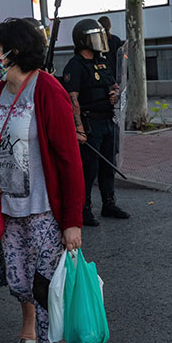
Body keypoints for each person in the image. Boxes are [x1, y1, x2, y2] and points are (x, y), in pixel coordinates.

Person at [0, 17, 85, 343]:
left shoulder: (48, 90)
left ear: (15, 53)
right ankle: (73, 324)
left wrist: (72, 222)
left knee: (43, 290)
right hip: (9, 210)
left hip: (43, 211)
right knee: (20, 284)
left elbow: (70, 160)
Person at [62, 19, 130, 227]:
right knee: (88, 169)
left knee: (108, 166)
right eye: (94, 37)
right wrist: (79, 129)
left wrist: (115, 94)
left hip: (108, 120)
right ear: (83, 40)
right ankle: (84, 209)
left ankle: (109, 204)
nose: (99, 41)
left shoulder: (102, 61)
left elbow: (115, 85)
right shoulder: (75, 65)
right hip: (90, 123)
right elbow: (72, 99)